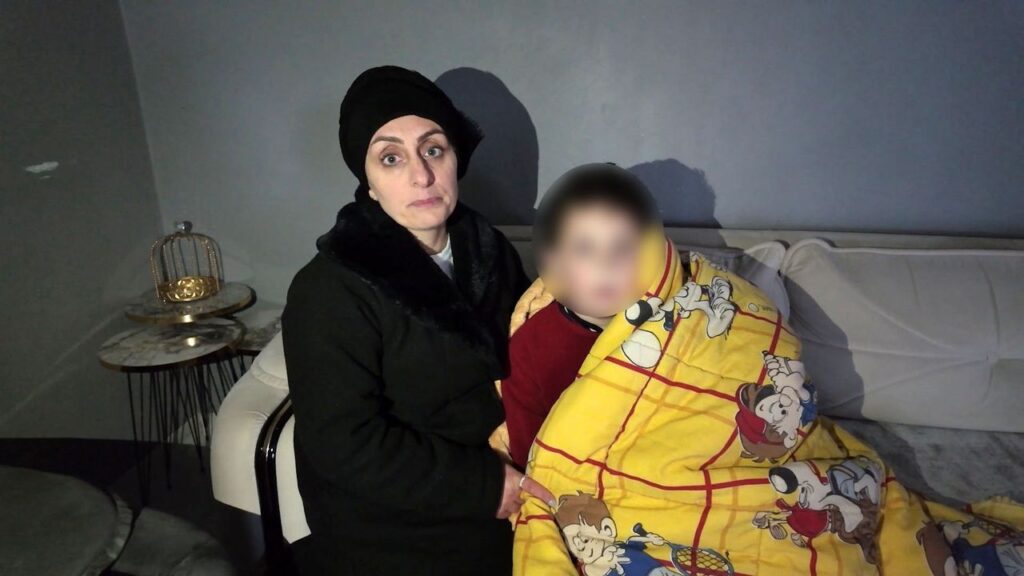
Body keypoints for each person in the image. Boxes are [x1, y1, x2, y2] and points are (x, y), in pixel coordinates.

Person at [282, 65, 550, 575]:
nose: (421, 176)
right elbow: (344, 444)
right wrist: (486, 485)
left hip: (511, 483)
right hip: (397, 529)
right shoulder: (328, 289)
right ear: (368, 181)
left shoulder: (488, 247)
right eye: (391, 158)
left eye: (433, 150)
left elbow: (531, 351)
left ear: (455, 158)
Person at [502, 163, 658, 469]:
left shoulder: (674, 319)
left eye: (622, 247)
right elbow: (530, 457)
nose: (605, 265)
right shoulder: (530, 348)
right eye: (585, 248)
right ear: (556, 260)